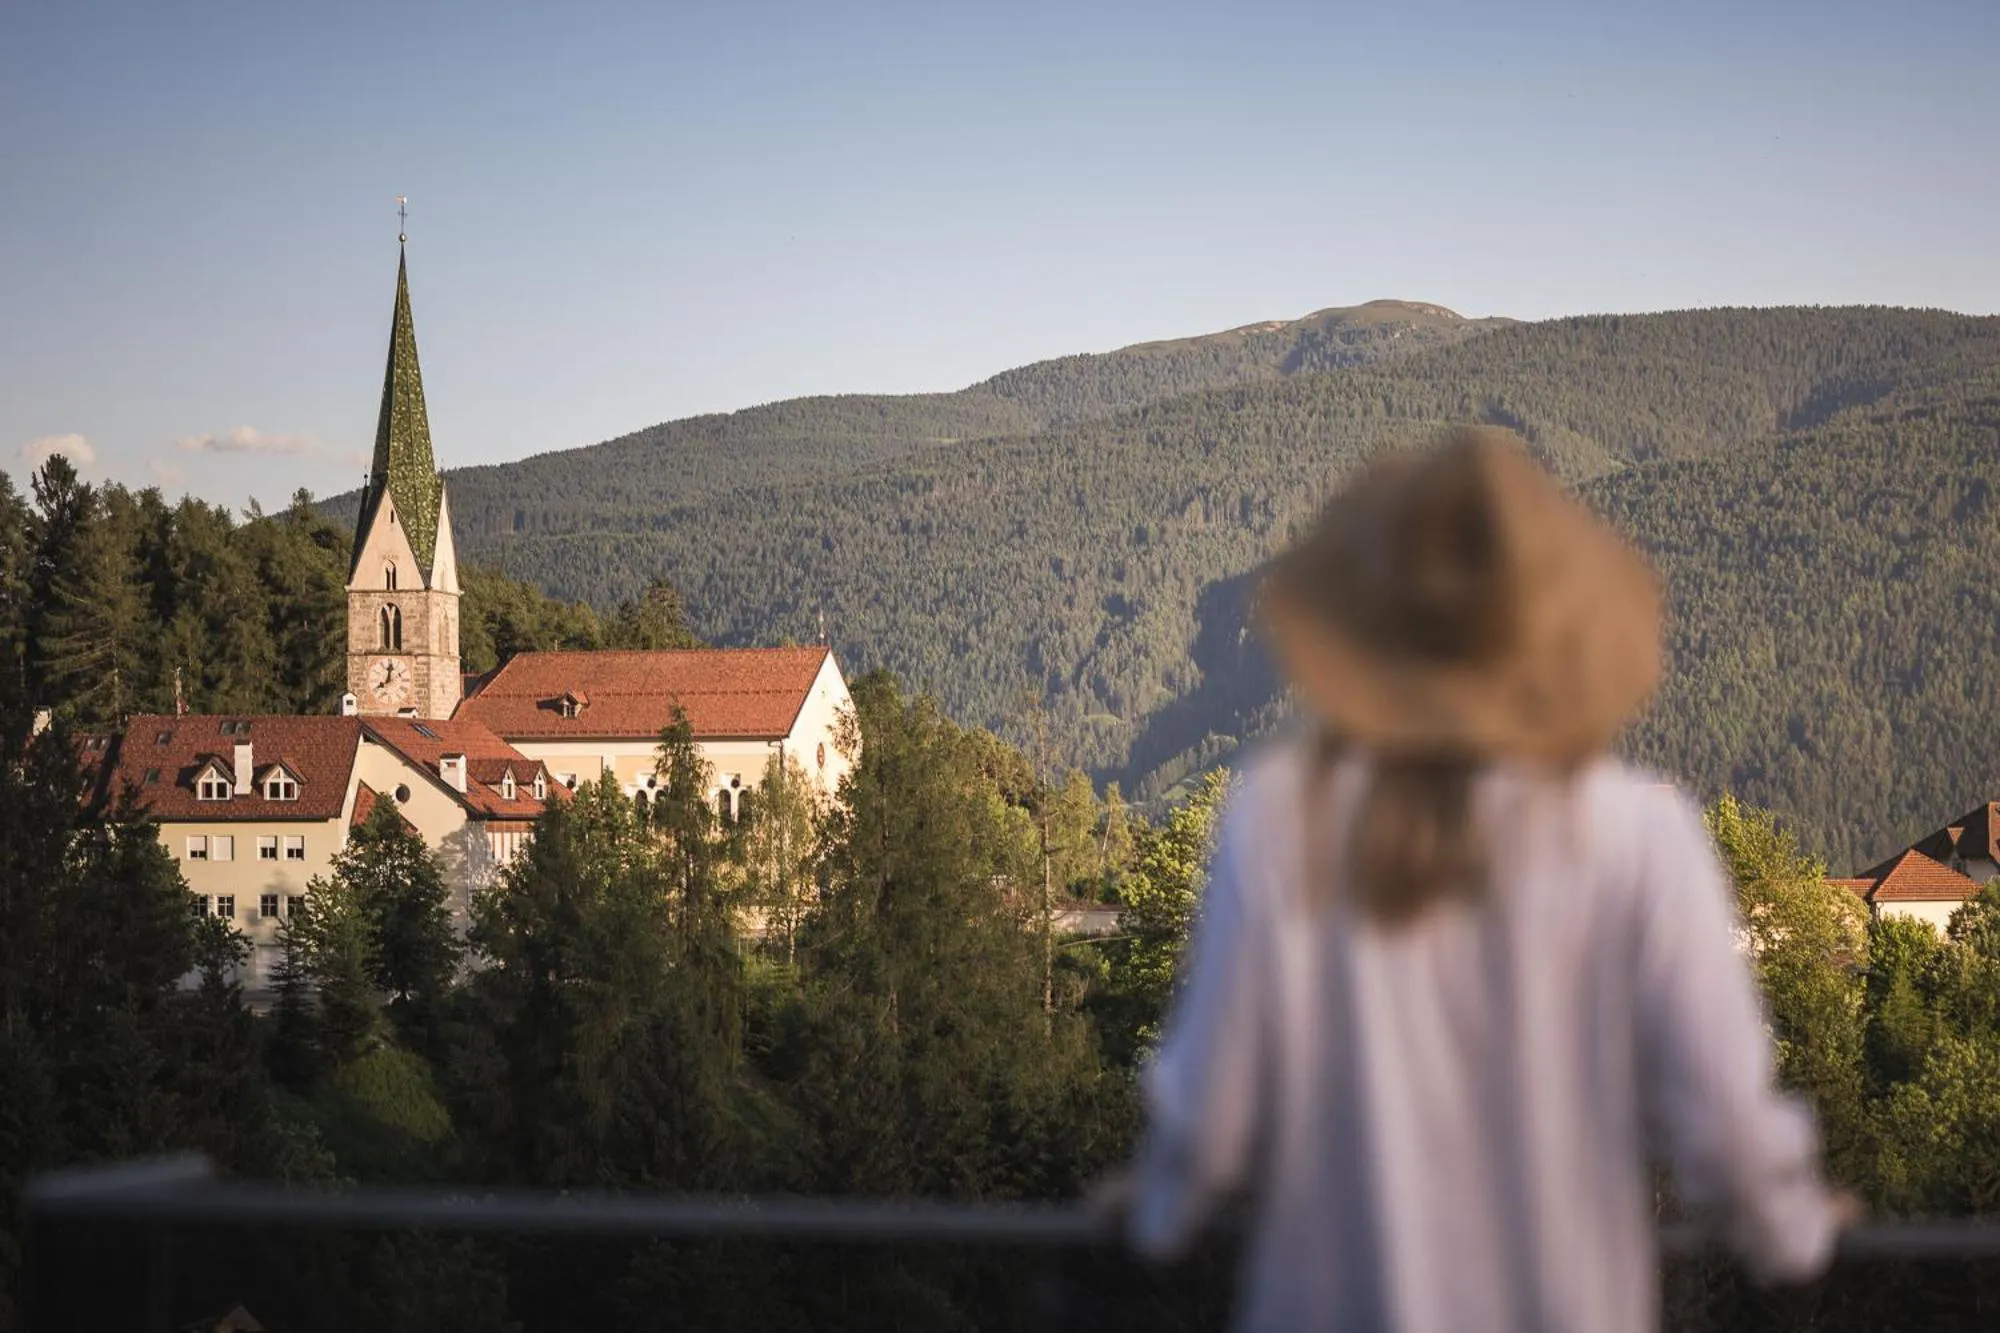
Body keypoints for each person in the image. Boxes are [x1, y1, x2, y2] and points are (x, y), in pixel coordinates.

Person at [1110, 426, 1850, 1332]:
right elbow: (1725, 1125)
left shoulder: (1279, 820)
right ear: (1553, 633)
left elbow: (1209, 1120)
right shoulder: (1642, 836)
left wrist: (1154, 1212)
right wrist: (1795, 1232)